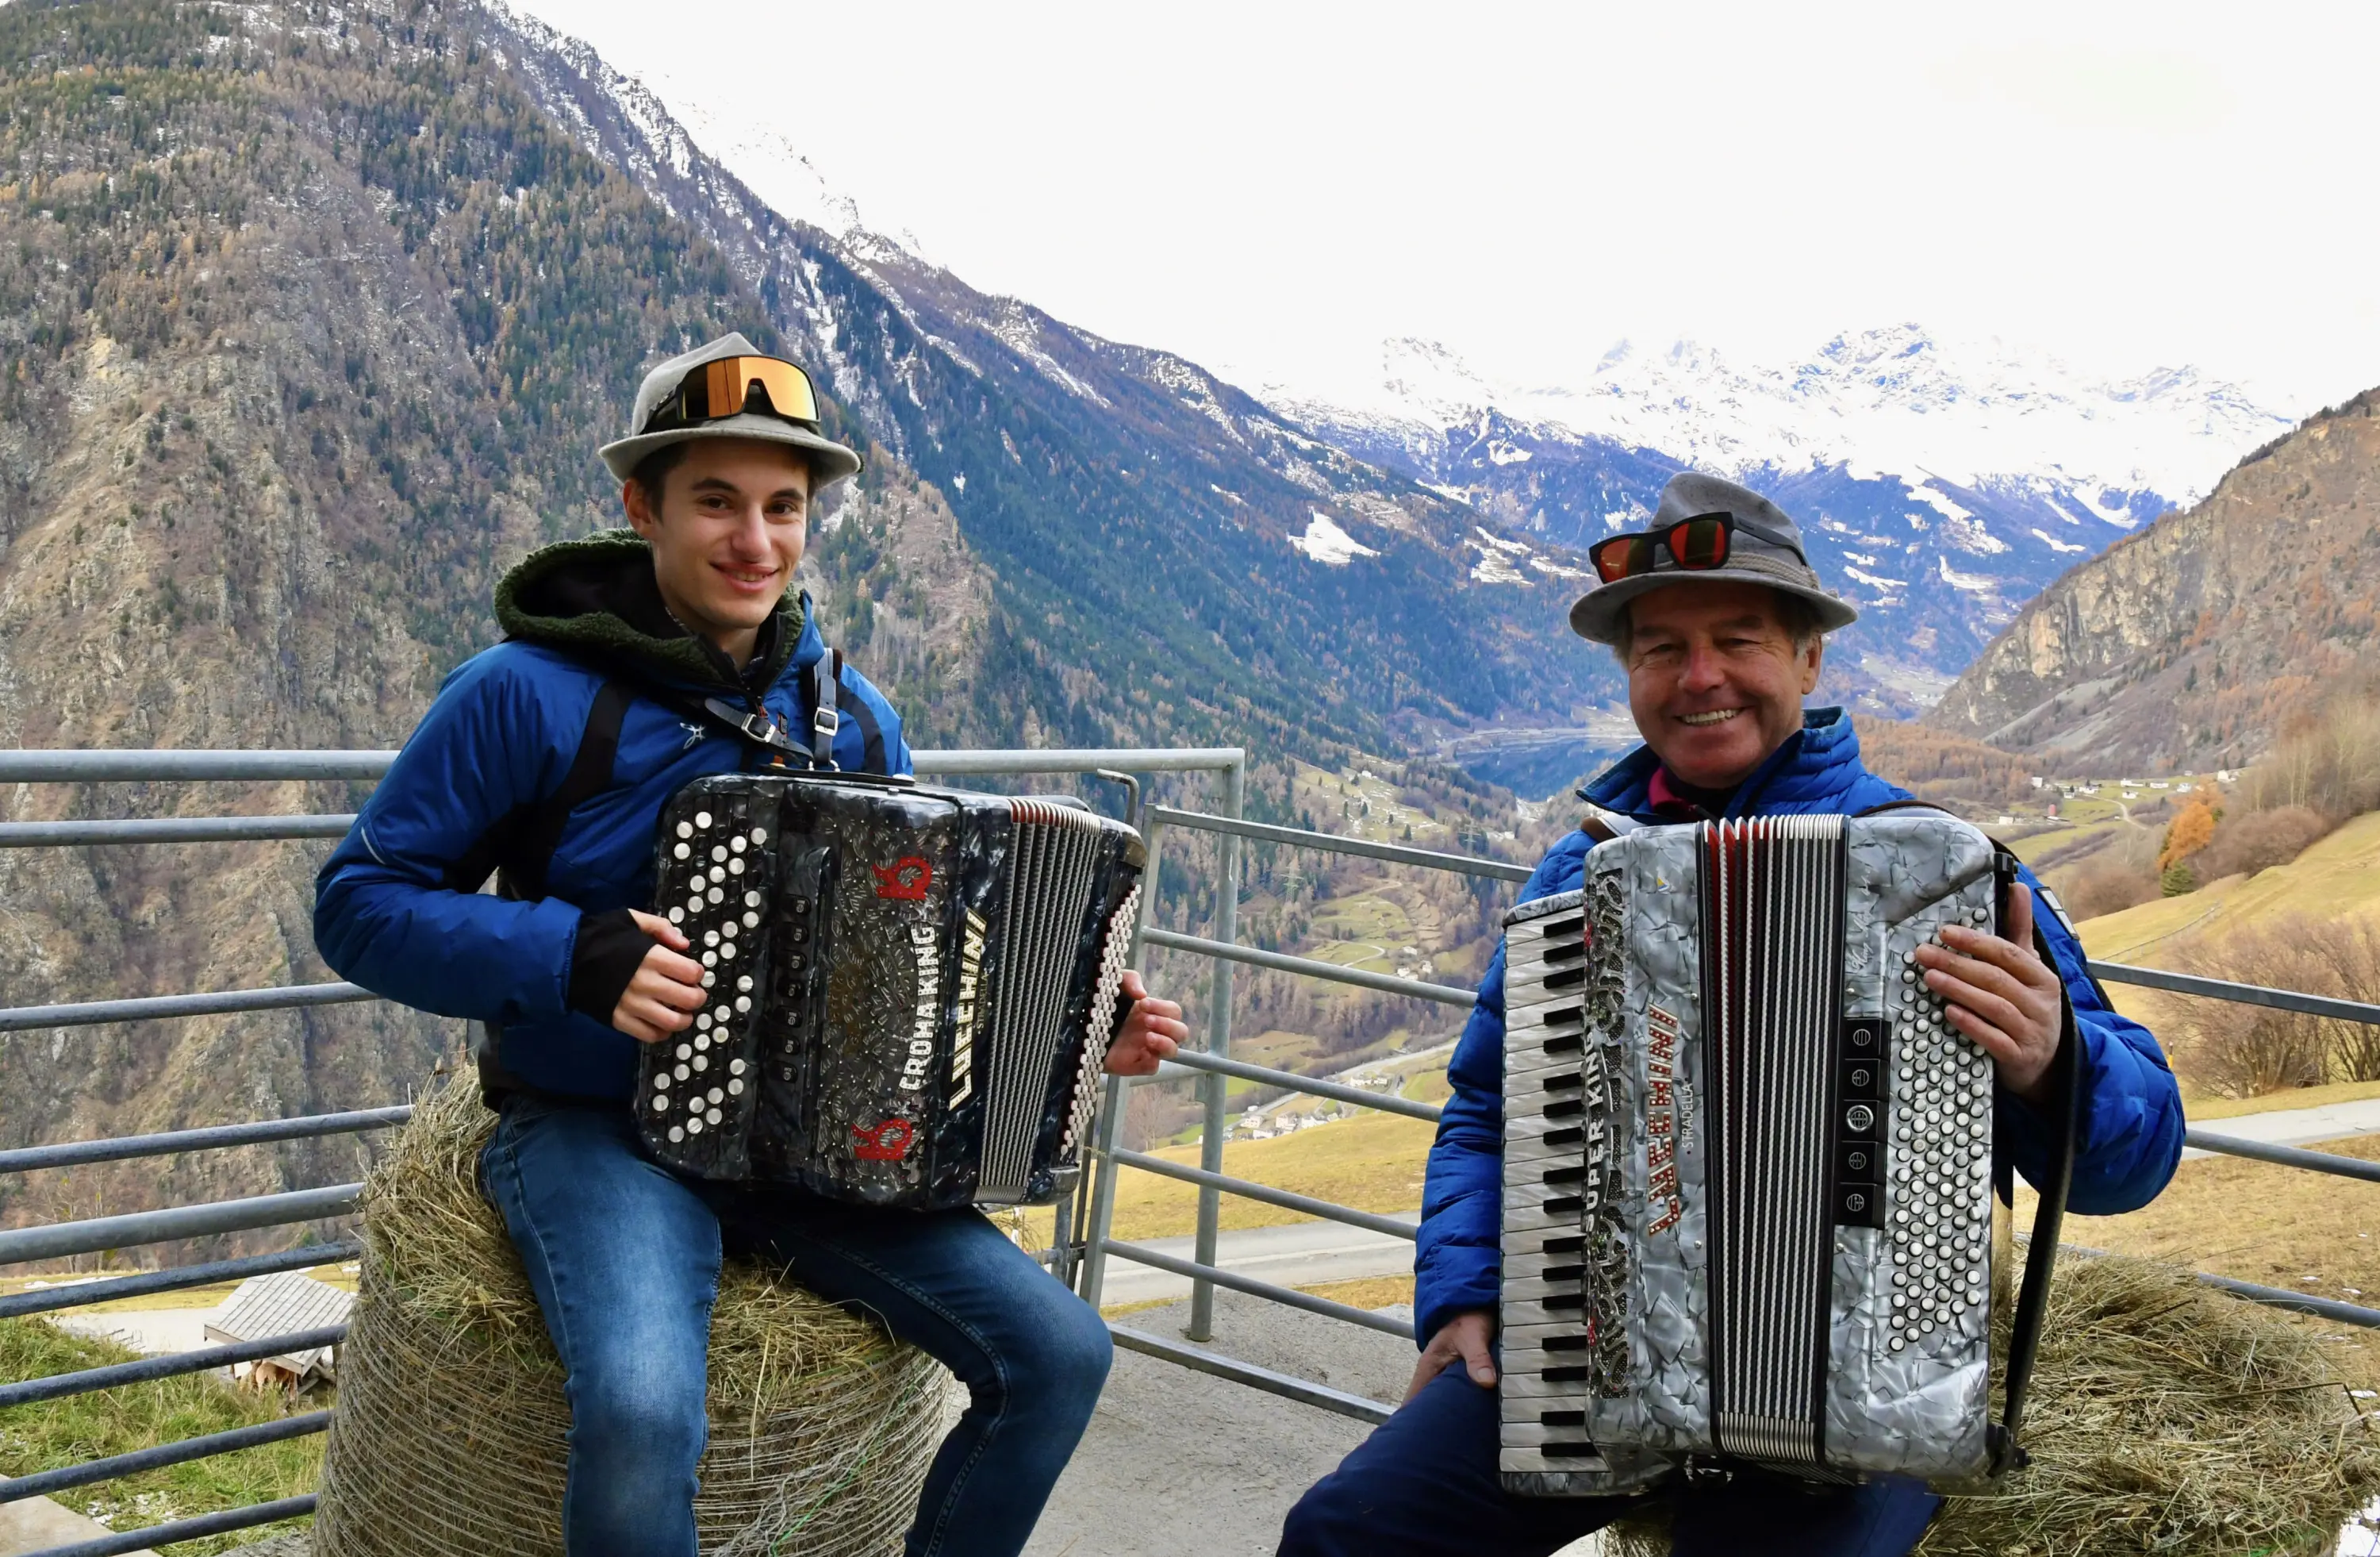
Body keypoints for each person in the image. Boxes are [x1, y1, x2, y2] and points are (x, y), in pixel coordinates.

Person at [314, 333, 1190, 1557]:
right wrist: (570, 952)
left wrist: (1080, 1026)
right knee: (638, 1407)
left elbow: (930, 952)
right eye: (716, 501)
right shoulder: (521, 692)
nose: (756, 541)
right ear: (642, 506)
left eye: (784, 507)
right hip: (596, 1127)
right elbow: (358, 902)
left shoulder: (853, 716)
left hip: (807, 1151)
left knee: (1058, 1353)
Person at [1276, 472, 2186, 1557]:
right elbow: (1484, 1111)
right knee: (1345, 1531)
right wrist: (1464, 1290)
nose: (1699, 677)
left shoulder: (1939, 872)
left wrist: (2056, 1060)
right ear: (1630, 675)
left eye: (1738, 639)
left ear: (1808, 657)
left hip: (1873, 1377)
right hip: (1591, 1348)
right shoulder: (1577, 878)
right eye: (1661, 648)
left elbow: (2141, 1156)